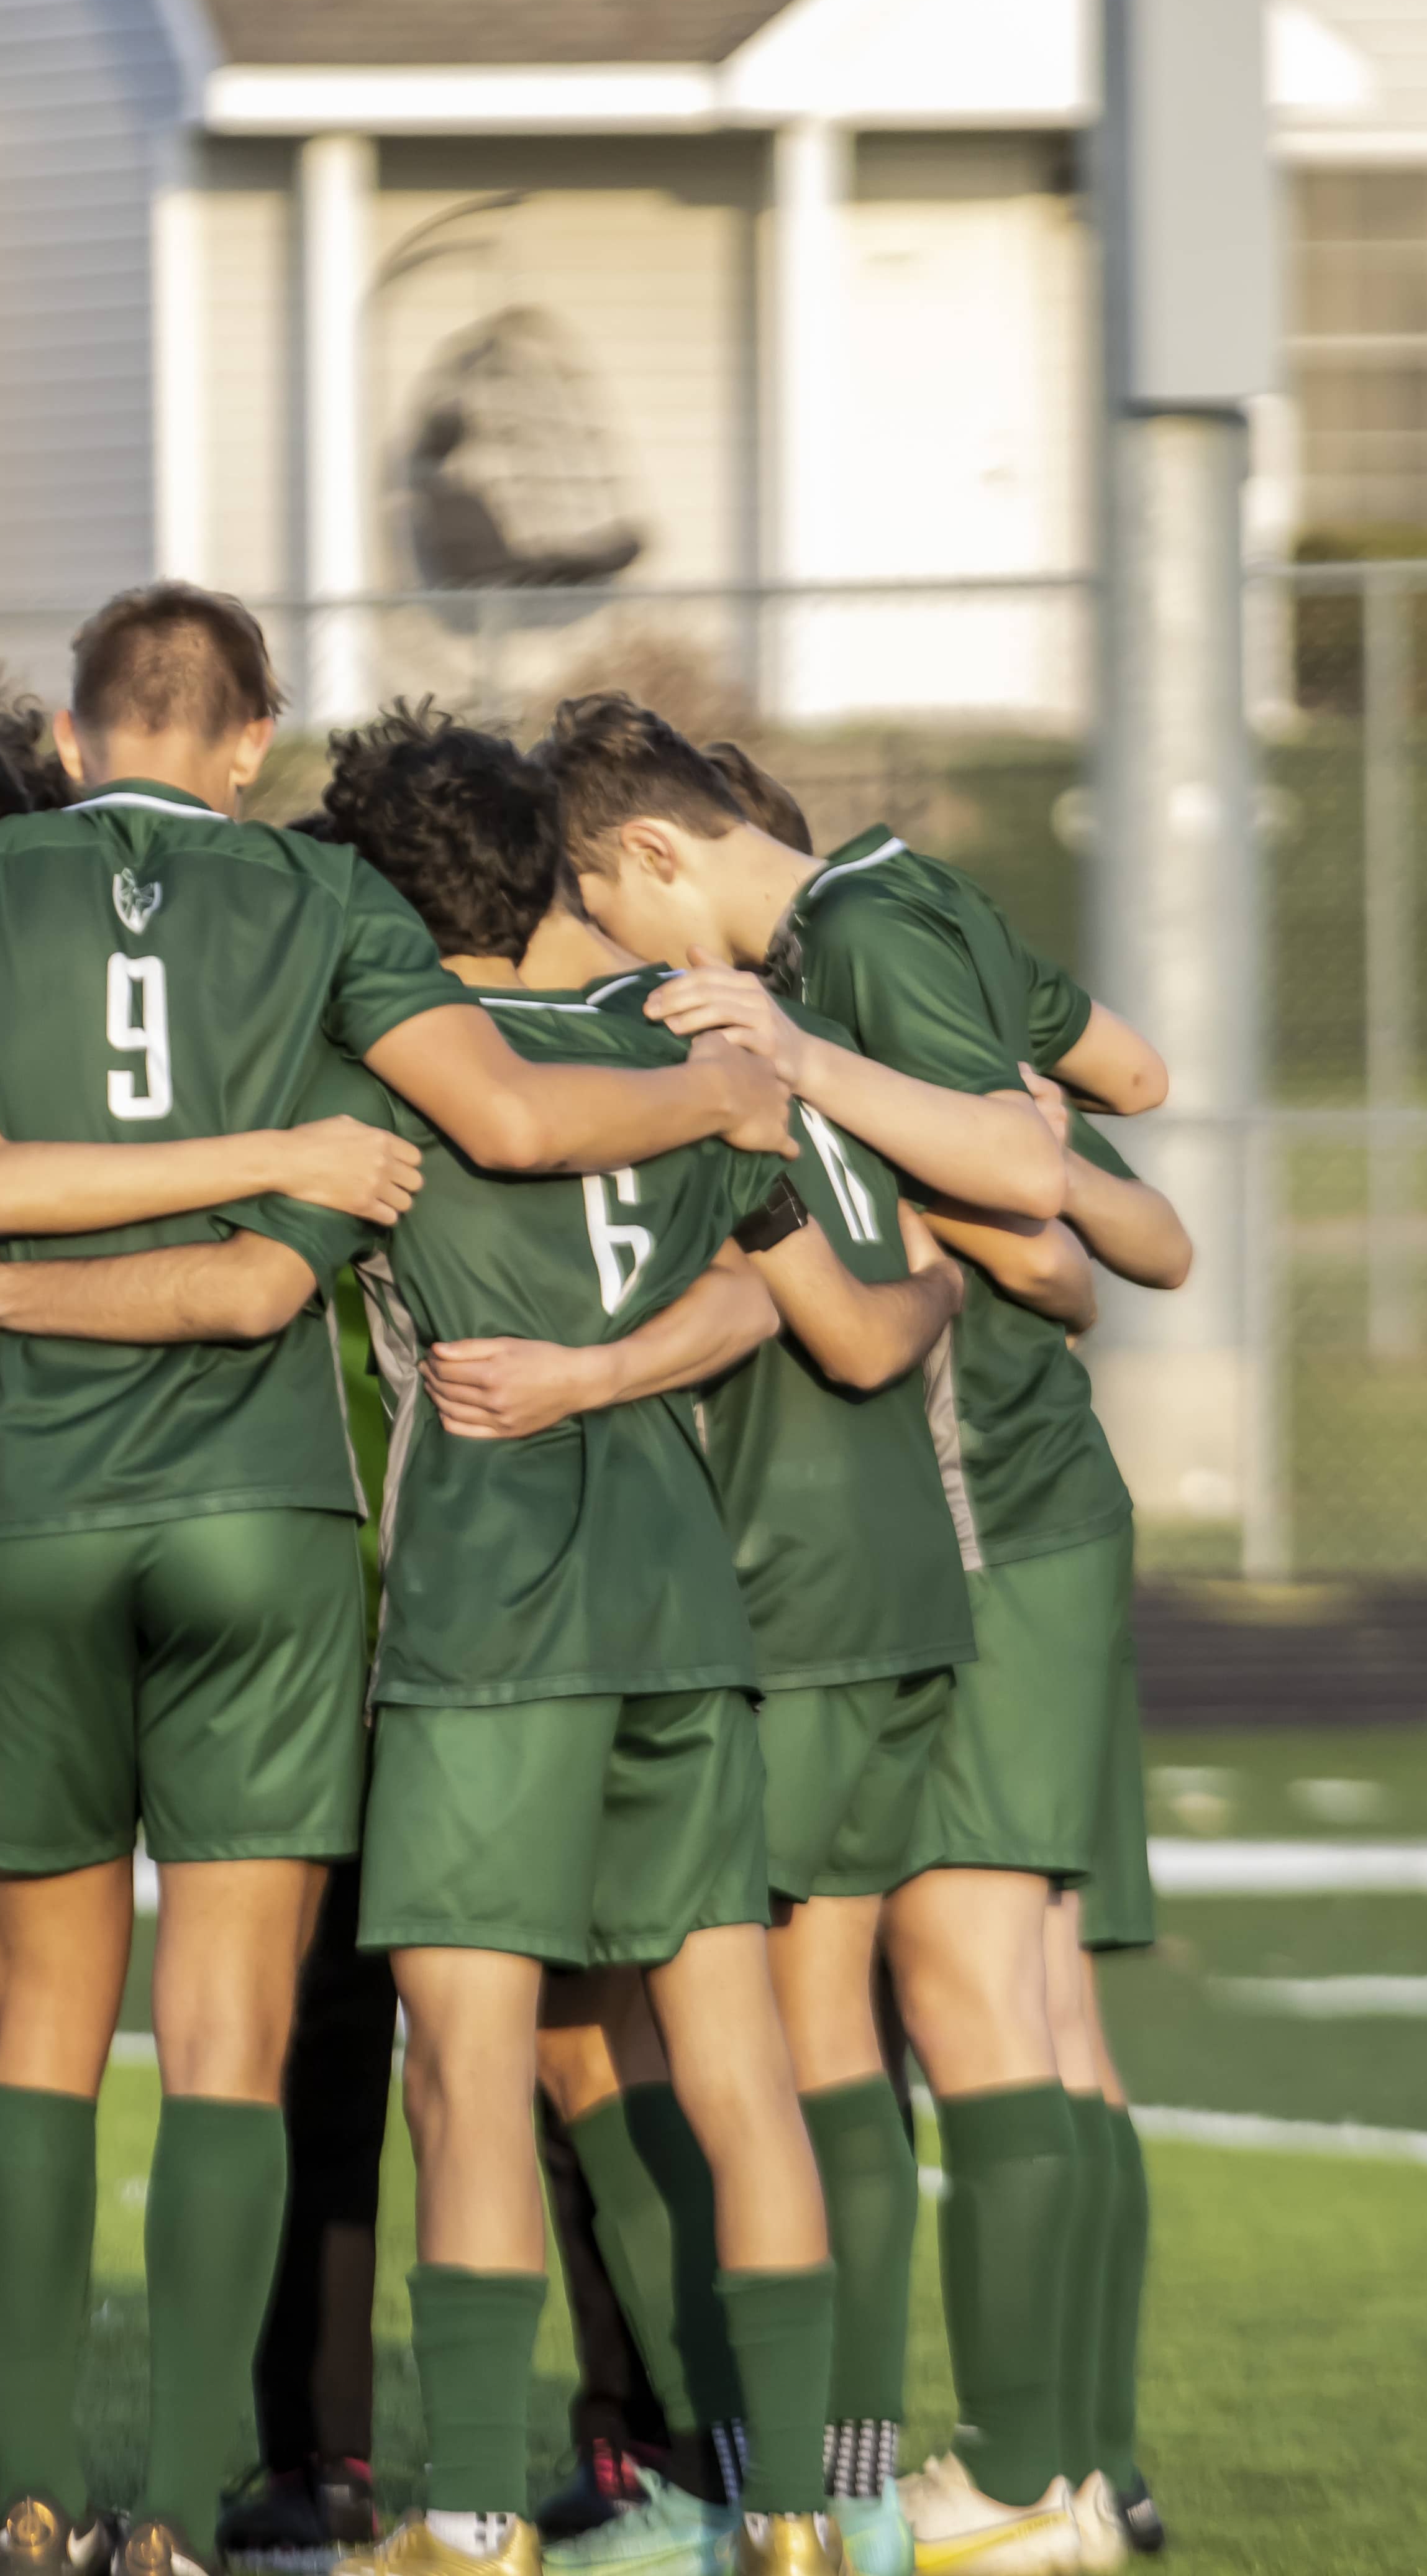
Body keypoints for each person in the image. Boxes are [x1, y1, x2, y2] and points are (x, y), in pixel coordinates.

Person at [0, 585, 800, 2576]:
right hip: (260, 1510)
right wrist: (715, 1099)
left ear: (68, 731)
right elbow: (506, 1115)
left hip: (25, 1500)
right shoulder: (327, 908)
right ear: (249, 742)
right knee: (229, 2041)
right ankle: (183, 2512)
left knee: (38, 2032)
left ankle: (29, 2484)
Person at [298, 709, 949, 2576]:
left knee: (471, 2066)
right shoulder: (672, 1037)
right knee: (734, 2061)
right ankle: (810, 2519)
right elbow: (770, 1296)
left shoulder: (396, 1058)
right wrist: (614, 1366)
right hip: (684, 1597)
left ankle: (483, 2515)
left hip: (492, 1605)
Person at [543, 701, 1188, 2576]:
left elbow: (1040, 1196)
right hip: (1028, 1495)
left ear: (657, 855)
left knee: (964, 1972)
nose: (617, 953)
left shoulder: (849, 948)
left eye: (604, 905)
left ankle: (1002, 2474)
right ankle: (1078, 2468)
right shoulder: (920, 894)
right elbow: (1122, 1088)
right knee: (1033, 1986)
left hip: (977, 1493)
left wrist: (818, 1067)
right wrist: (1035, 1183)